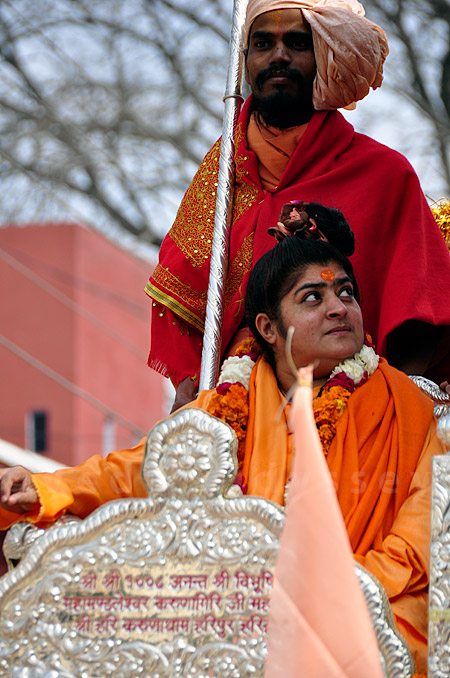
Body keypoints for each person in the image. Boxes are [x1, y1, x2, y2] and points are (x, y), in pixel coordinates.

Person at [0, 209, 444, 673]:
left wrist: (334, 593)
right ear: (269, 329)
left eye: (346, 292)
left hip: (372, 610)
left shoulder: (412, 409)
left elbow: (423, 529)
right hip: (237, 619)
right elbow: (134, 469)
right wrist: (47, 489)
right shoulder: (224, 408)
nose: (338, 308)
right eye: (312, 298)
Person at [145, 0, 450, 409]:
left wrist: (388, 416)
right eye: (263, 43)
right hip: (233, 411)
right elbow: (186, 300)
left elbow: (421, 319)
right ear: (246, 59)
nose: (279, 56)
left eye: (297, 43)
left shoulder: (385, 174)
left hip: (353, 416)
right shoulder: (222, 170)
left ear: (323, 56)